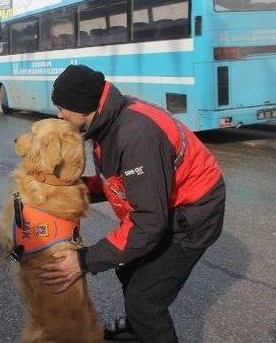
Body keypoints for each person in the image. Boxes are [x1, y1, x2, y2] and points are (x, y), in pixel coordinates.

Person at [38, 65, 225, 343]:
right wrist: (69, 191)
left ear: (80, 107)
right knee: (128, 267)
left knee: (144, 302)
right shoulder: (108, 122)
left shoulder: (135, 134)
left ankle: (143, 322)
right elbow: (122, 183)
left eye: (62, 107)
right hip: (167, 206)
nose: (59, 114)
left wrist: (83, 261)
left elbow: (148, 223)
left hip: (193, 216)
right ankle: (140, 329)